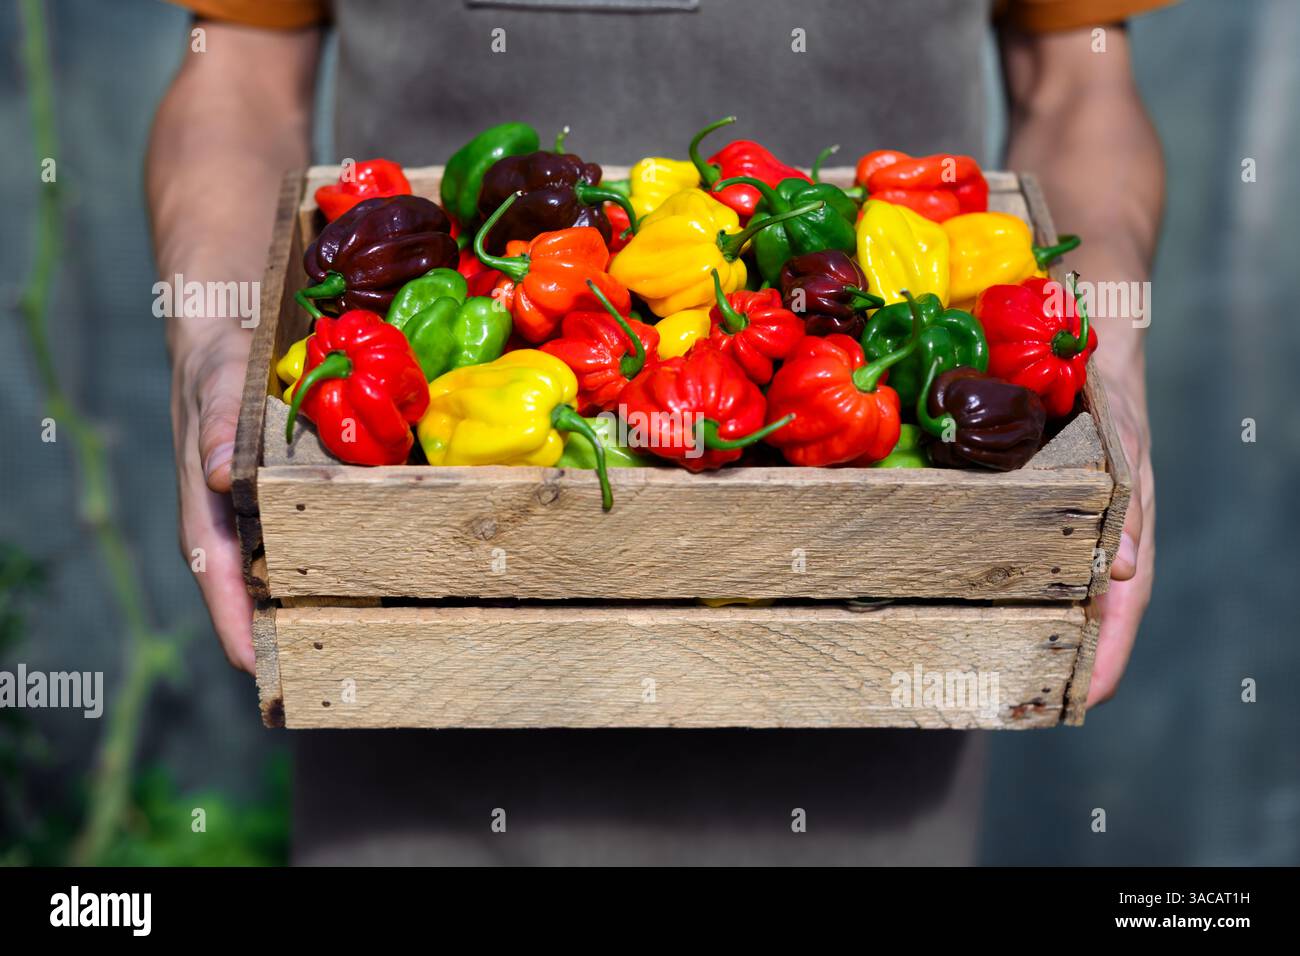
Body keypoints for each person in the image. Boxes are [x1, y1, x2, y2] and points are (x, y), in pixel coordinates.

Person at [150, 0, 1165, 864]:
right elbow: (234, 65)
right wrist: (215, 340)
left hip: (873, 683)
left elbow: (1078, 80)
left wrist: (1106, 349)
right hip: (415, 669)